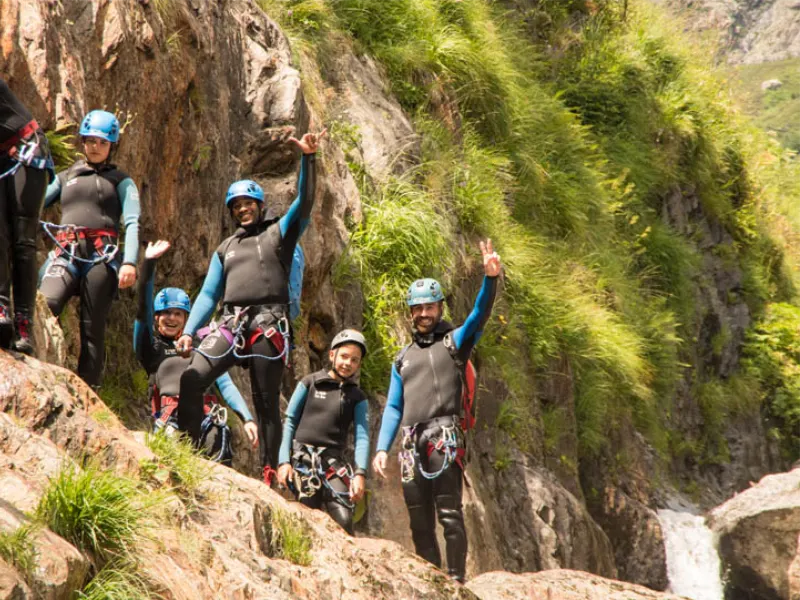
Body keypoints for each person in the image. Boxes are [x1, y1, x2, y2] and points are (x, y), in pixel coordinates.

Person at [175, 129, 325, 485]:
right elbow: (209, 296)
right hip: (230, 322)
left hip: (268, 323)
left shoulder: (279, 233)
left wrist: (308, 159)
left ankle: (268, 472)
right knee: (192, 377)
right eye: (236, 206)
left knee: (266, 402)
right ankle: (187, 451)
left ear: (260, 205)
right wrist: (187, 332)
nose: (242, 209)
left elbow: (304, 202)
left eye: (248, 204)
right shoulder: (226, 248)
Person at [372, 239, 502, 583]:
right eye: (417, 308)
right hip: (411, 442)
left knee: (449, 514)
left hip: (444, 437)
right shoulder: (402, 359)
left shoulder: (455, 343)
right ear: (410, 312)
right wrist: (383, 448)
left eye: (429, 307)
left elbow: (479, 315)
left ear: (440, 308)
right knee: (418, 520)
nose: (423, 313)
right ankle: (433, 581)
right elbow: (394, 407)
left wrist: (490, 279)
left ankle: (457, 580)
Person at [39, 110, 140, 388]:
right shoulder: (66, 176)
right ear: (83, 141)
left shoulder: (121, 181)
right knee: (46, 304)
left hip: (101, 258)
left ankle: (89, 392)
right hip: (67, 252)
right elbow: (35, 204)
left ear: (111, 146)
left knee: (92, 327)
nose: (95, 147)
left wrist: (129, 262)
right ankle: (39, 370)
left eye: (102, 142)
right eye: (90, 141)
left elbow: (132, 222)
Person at [134, 240, 258, 460]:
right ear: (156, 318)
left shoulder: (203, 348)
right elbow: (142, 310)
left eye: (178, 314)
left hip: (208, 421)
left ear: (186, 319)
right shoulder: (151, 349)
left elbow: (226, 384)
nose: (171, 318)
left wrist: (247, 418)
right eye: (166, 313)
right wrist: (149, 264)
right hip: (170, 421)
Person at [277, 329, 369, 534]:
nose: (348, 363)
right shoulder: (309, 383)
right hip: (304, 461)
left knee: (344, 521)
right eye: (344, 356)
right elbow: (290, 421)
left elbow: (362, 436)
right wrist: (284, 462)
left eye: (354, 360)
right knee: (306, 518)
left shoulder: (357, 396)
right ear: (331, 355)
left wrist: (360, 473)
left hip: (333, 464)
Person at [0, 77, 54, 353]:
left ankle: (23, 324)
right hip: (3, 156)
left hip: (26, 149)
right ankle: (1, 309)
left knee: (23, 241)